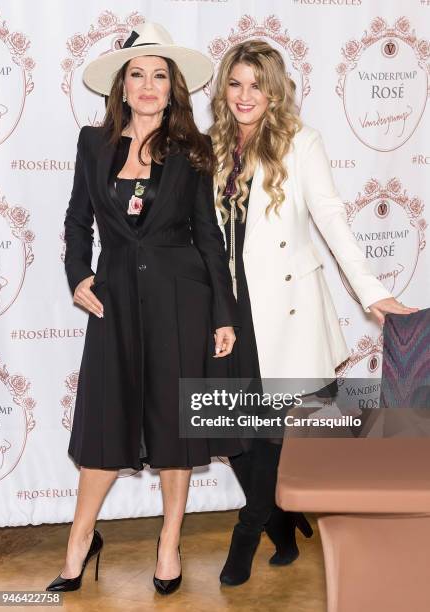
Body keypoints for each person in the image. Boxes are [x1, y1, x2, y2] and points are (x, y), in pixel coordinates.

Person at [209, 39, 419, 586]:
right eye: (235, 83)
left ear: (275, 90)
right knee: (233, 431)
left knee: (277, 434)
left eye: (256, 84)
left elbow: (332, 220)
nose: (244, 94)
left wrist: (372, 291)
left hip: (289, 311)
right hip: (229, 314)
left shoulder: (301, 143)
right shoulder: (210, 147)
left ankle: (248, 530)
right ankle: (281, 517)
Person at [46, 22, 241, 596]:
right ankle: (80, 541)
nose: (149, 85)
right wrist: (78, 273)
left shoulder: (193, 151)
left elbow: (210, 238)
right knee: (107, 423)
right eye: (139, 75)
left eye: (160, 76)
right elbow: (77, 219)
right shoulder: (92, 142)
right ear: (122, 87)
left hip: (181, 303)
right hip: (113, 306)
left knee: (174, 425)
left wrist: (223, 314)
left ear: (172, 87)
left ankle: (169, 543)